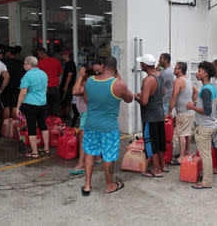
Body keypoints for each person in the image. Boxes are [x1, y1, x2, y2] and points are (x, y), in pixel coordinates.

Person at [82, 57, 133, 196]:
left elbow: (87, 101)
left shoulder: (90, 80)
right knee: (108, 156)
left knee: (90, 153)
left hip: (91, 124)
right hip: (108, 127)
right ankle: (110, 185)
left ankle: (87, 185)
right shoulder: (118, 84)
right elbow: (130, 98)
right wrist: (119, 80)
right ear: (116, 69)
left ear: (103, 65)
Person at [186, 61, 217, 189]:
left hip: (205, 126)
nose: (197, 73)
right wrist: (196, 106)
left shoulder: (205, 90)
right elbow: (207, 107)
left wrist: (191, 107)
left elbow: (207, 110)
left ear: (205, 73)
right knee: (207, 154)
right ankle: (207, 176)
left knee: (205, 156)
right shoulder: (211, 88)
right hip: (209, 125)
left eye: (199, 71)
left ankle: (206, 181)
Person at [135, 54, 167, 177]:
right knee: (159, 141)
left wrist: (137, 98)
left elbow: (144, 102)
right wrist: (145, 93)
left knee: (151, 142)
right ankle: (163, 166)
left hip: (150, 117)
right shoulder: (160, 76)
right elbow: (162, 92)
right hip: (159, 114)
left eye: (141, 63)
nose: (140, 65)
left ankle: (157, 170)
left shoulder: (148, 80)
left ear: (144, 65)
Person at [69, 64, 102, 174]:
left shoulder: (89, 83)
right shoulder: (96, 81)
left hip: (87, 114)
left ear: (86, 73)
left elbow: (74, 91)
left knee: (83, 141)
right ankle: (97, 157)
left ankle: (81, 165)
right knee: (95, 136)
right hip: (93, 113)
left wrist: (80, 76)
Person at [16, 56, 49, 158]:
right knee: (43, 125)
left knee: (31, 127)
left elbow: (23, 93)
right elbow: (45, 89)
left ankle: (34, 152)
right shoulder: (43, 74)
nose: (24, 65)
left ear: (29, 64)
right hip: (42, 103)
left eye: (25, 63)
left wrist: (17, 107)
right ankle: (46, 148)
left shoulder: (27, 76)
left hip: (30, 104)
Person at [166, 62, 198, 165]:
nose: (174, 70)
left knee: (181, 135)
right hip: (190, 112)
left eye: (176, 68)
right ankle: (186, 152)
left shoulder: (178, 81)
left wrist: (169, 112)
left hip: (183, 113)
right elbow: (196, 92)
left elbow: (174, 98)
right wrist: (192, 102)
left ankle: (181, 157)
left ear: (181, 70)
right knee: (187, 134)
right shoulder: (187, 80)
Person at [37, 47, 63, 118]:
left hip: (44, 89)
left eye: (38, 54)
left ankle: (46, 126)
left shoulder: (39, 63)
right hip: (55, 88)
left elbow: (38, 76)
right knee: (57, 107)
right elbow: (60, 73)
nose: (38, 56)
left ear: (41, 54)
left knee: (45, 108)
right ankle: (59, 125)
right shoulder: (56, 61)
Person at [1, 46, 25, 120]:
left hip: (6, 87)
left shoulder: (3, 63)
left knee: (6, 106)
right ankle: (15, 126)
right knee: (15, 106)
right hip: (18, 86)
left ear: (8, 53)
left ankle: (6, 125)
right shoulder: (21, 63)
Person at [60, 50, 77, 122]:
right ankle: (66, 115)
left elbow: (70, 75)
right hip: (67, 85)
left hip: (69, 85)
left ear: (66, 55)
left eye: (63, 55)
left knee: (67, 101)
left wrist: (66, 85)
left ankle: (67, 115)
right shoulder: (68, 63)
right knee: (66, 100)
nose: (62, 56)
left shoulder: (70, 63)